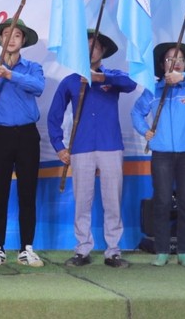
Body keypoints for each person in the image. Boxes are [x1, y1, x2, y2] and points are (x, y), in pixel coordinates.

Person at [47, 30, 136, 269]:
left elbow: (131, 84)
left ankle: (113, 251)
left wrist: (101, 78)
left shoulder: (113, 76)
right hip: (81, 147)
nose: (90, 51)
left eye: (95, 47)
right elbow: (54, 116)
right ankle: (82, 249)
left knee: (113, 200)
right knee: (82, 201)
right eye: (85, 47)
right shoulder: (70, 81)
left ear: (103, 51)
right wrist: (59, 147)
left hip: (110, 146)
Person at [131, 42, 185, 267]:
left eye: (180, 59)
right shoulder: (153, 90)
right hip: (162, 154)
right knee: (162, 201)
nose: (175, 62)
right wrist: (145, 131)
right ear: (162, 64)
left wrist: (183, 77)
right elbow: (136, 113)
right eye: (170, 59)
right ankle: (162, 250)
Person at [0, 18, 45, 267]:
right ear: (0, 39)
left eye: (16, 35)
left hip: (28, 135)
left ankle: (26, 248)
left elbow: (38, 87)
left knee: (27, 192)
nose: (11, 39)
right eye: (6, 34)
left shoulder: (33, 68)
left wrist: (10, 75)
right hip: (0, 135)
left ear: (23, 40)